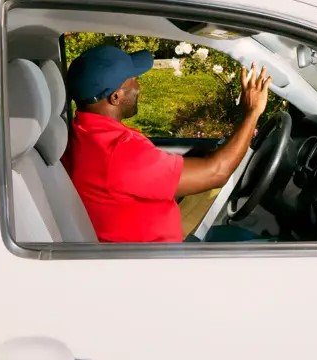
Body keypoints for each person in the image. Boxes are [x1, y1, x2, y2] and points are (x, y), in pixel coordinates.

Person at [63, 43, 270, 243]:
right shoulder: (119, 152)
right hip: (162, 261)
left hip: (149, 247)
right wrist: (251, 113)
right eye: (133, 79)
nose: (138, 86)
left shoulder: (82, 133)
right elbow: (217, 172)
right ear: (116, 97)